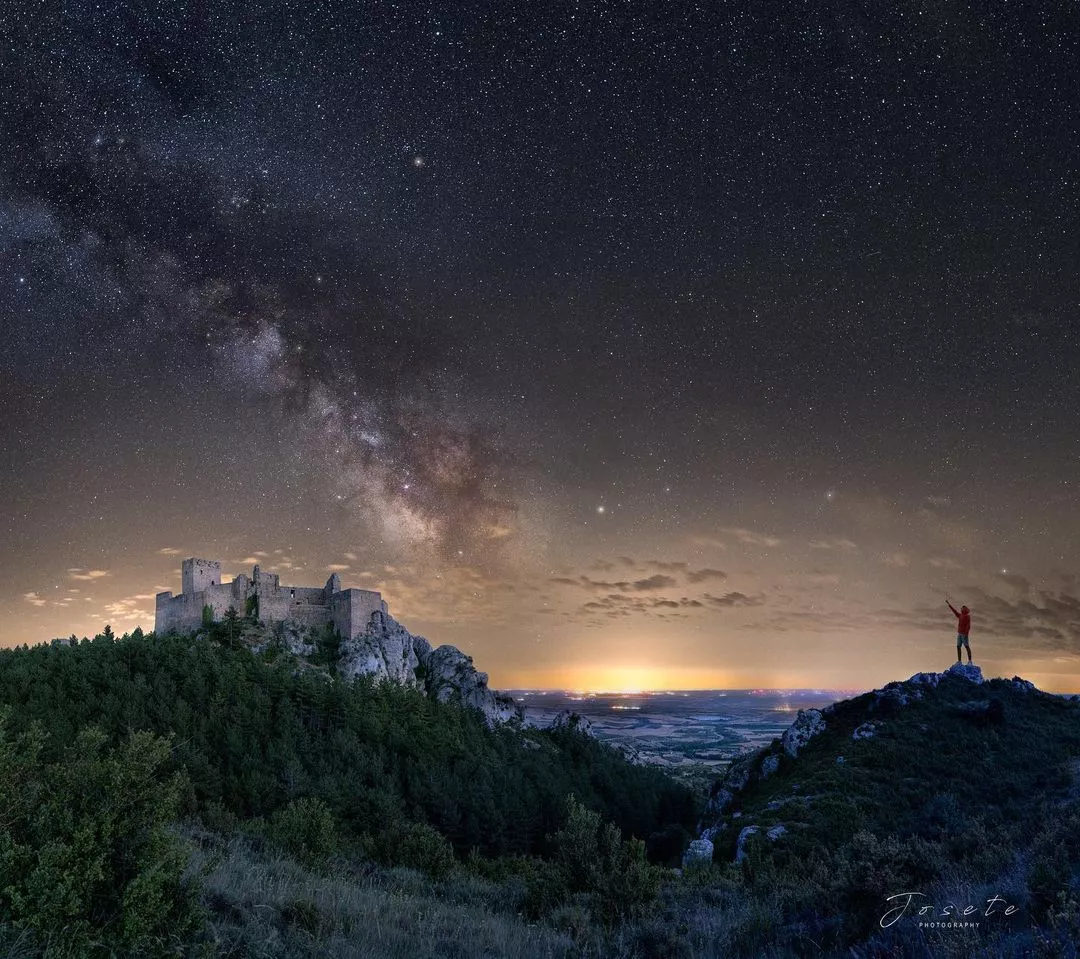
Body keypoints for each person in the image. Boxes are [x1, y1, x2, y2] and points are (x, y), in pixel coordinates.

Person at [946, 598, 973, 664]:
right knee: (958, 646)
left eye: (963, 608)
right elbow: (954, 611)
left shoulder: (967, 616)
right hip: (960, 633)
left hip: (964, 634)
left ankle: (969, 661)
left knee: (966, 646)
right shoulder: (960, 615)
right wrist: (949, 604)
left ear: (966, 610)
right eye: (962, 608)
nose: (962, 609)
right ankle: (959, 661)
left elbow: (968, 625)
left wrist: (966, 633)